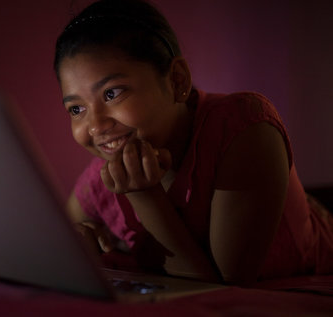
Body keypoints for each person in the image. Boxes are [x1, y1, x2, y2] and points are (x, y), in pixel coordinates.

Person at [53, 0, 333, 285]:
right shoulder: (102, 179)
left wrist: (145, 196)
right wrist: (80, 238)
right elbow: (60, 232)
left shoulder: (244, 127)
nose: (96, 125)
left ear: (177, 80)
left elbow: (225, 286)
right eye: (76, 109)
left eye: (112, 93)